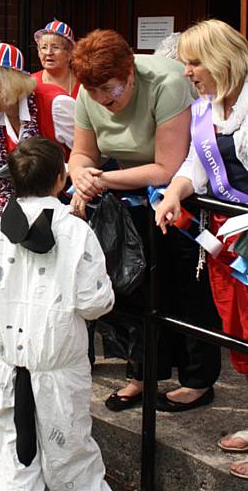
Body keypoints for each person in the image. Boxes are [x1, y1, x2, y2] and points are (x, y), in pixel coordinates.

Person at [68, 28, 221, 412]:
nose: (104, 100)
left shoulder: (167, 83)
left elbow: (166, 166)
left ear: (131, 72)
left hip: (177, 198)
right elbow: (81, 153)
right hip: (124, 199)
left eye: (111, 90)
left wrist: (98, 179)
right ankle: (141, 374)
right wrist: (81, 173)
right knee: (132, 287)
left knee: (186, 287)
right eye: (95, 92)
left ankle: (197, 379)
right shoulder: (89, 94)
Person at [0, 137, 115, 491]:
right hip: (61, 370)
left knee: (10, 461)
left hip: (9, 369)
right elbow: (96, 302)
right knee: (73, 460)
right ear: (61, 179)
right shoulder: (77, 232)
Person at [155, 19, 248, 480]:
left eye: (194, 63)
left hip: (243, 235)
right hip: (226, 243)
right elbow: (197, 162)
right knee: (240, 335)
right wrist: (175, 192)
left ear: (220, 60)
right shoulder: (205, 108)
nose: (187, 72)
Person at [0, 42, 75, 211]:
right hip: (27, 205)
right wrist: (5, 161)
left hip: (68, 203)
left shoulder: (55, 104)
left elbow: (90, 154)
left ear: (10, 83)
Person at [32, 19, 80, 98]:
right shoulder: (30, 84)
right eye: (44, 47)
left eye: (55, 47)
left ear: (69, 53)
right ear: (39, 53)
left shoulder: (84, 85)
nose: (48, 53)